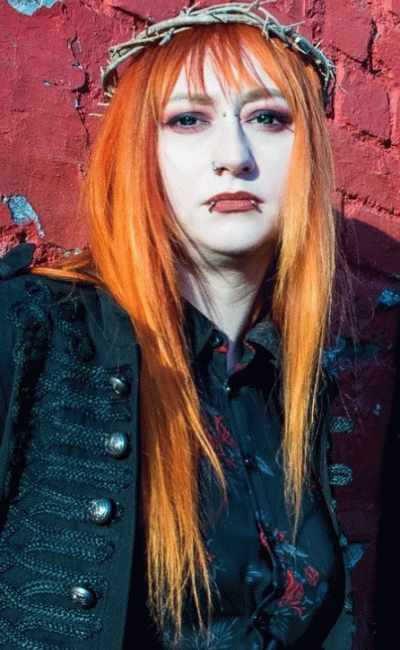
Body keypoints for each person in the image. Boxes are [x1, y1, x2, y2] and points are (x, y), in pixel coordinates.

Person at [0, 3, 352, 649]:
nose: (234, 157)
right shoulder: (33, 331)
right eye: (188, 119)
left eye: (268, 118)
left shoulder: (297, 390)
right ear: (143, 152)